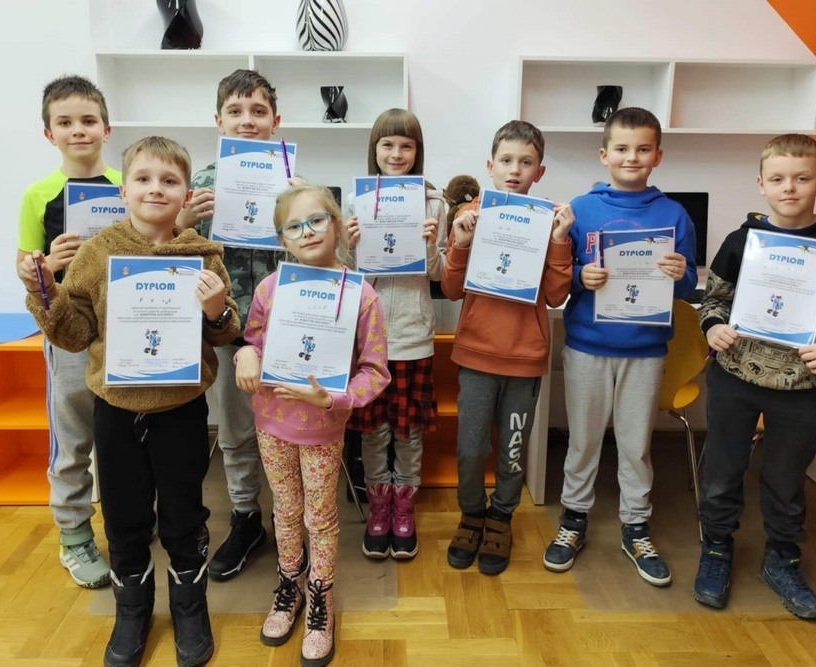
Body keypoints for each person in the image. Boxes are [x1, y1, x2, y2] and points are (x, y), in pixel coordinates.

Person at [18, 136, 237, 667]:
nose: (155, 189)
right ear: (124, 189)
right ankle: (132, 611)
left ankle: (190, 608)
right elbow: (75, 334)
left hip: (181, 412)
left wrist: (216, 311)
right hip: (116, 411)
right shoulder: (98, 253)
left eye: (169, 181)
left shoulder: (204, 255)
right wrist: (44, 290)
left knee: (183, 515)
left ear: (187, 194)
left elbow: (225, 332)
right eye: (143, 179)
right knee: (123, 516)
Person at [694, 134, 816, 620]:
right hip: (734, 378)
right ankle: (716, 550)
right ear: (761, 185)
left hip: (801, 388)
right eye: (777, 179)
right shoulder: (741, 242)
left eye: (801, 178)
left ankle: (782, 561)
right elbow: (713, 300)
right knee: (722, 472)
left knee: (786, 479)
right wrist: (713, 327)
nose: (789, 188)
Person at [236, 185, 391, 665]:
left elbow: (375, 371)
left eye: (317, 220)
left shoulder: (362, 295)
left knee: (319, 517)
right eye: (294, 226)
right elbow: (253, 341)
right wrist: (246, 355)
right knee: (285, 510)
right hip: (271, 421)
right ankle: (291, 584)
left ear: (337, 225)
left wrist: (336, 399)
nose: (307, 232)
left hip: (323, 426)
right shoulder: (269, 289)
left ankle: (321, 598)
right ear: (281, 239)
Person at [543, 107, 697, 586]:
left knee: (635, 445)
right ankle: (574, 519)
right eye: (623, 148)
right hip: (588, 346)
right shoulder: (581, 210)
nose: (633, 157)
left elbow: (688, 285)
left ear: (658, 156)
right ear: (604, 154)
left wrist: (680, 274)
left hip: (645, 351)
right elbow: (559, 276)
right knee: (583, 440)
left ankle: (636, 526)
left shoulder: (674, 214)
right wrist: (580, 277)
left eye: (643, 149)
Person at [176, 69, 301, 581]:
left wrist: (301, 212)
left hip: (285, 328)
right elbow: (164, 257)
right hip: (225, 328)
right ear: (218, 120)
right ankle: (247, 517)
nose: (247, 120)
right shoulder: (198, 186)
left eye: (258, 111)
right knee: (234, 429)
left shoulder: (295, 184)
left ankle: (294, 520)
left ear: (276, 121)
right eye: (235, 111)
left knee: (292, 427)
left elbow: (319, 253)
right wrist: (183, 224)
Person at [441, 120, 574, 575]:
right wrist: (460, 243)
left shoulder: (549, 220)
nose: (515, 169)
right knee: (471, 448)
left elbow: (555, 295)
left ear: (539, 171)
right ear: (490, 165)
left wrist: (559, 242)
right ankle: (471, 515)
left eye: (526, 162)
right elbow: (451, 289)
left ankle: (501, 517)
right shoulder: (470, 215)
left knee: (512, 450)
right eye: (506, 160)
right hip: (477, 355)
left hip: (524, 358)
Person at [15, 74, 119, 589]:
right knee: (73, 438)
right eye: (65, 122)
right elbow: (25, 269)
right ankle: (74, 536)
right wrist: (46, 266)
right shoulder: (38, 195)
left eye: (88, 120)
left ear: (106, 128)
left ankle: (126, 522)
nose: (78, 130)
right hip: (68, 333)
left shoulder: (127, 185)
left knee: (121, 437)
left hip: (122, 330)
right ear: (49, 133)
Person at [344, 108, 447, 560]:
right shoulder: (356, 200)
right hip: (369, 337)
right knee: (374, 431)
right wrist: (349, 245)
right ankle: (379, 507)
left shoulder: (434, 203)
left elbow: (439, 274)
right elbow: (348, 276)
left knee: (408, 432)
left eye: (407, 145)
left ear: (417, 151)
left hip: (412, 333)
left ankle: (404, 509)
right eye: (388, 144)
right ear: (375, 149)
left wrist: (429, 246)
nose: (397, 153)